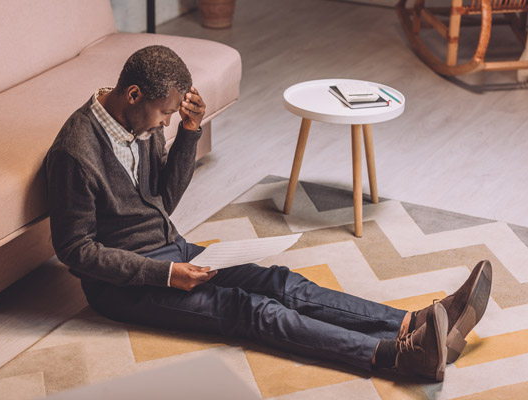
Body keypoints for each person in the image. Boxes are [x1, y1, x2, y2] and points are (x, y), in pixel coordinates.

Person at [44, 45, 492, 382]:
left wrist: (189, 133)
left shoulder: (139, 121)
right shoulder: (75, 152)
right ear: (134, 94)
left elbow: (162, 200)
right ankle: (400, 358)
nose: (164, 123)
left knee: (280, 281)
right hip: (126, 288)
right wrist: (165, 276)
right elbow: (75, 250)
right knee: (252, 311)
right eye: (164, 115)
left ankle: (412, 322)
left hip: (173, 250)